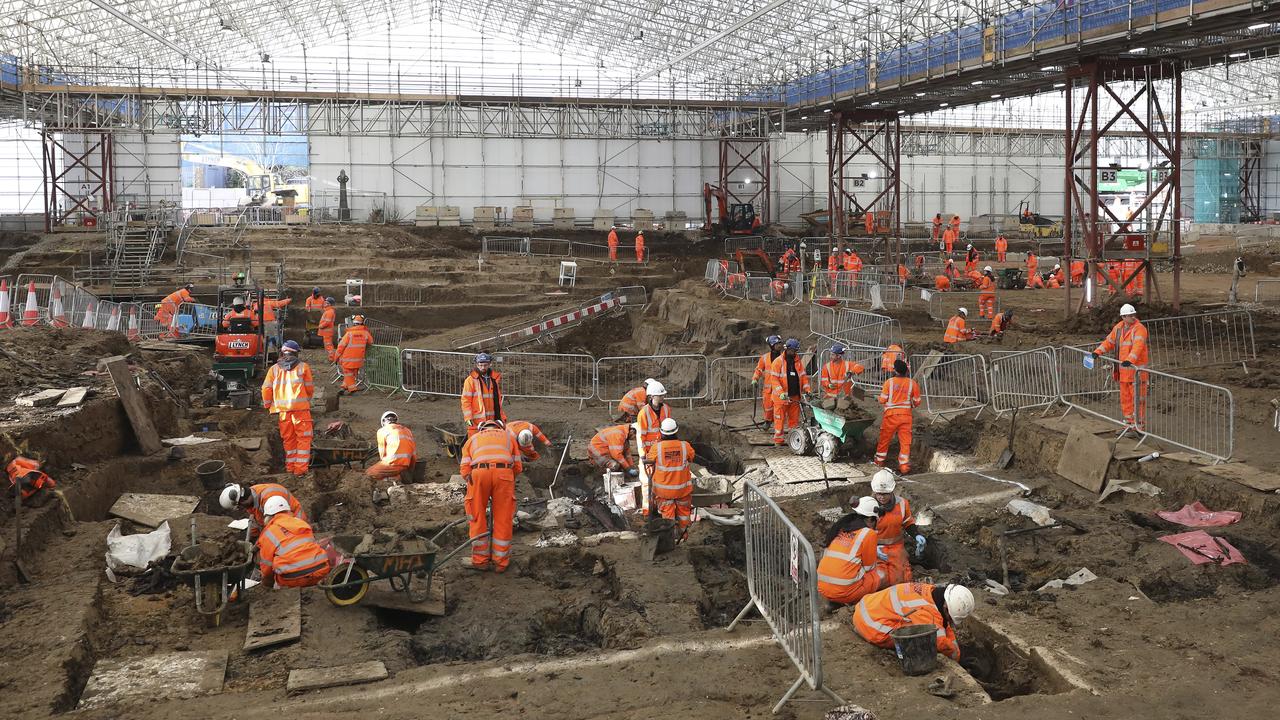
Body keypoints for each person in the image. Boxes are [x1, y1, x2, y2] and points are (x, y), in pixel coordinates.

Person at [852, 583, 974, 661]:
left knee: (912, 620)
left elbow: (944, 625)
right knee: (919, 641)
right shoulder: (929, 616)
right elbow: (941, 643)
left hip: (867, 607)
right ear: (946, 608)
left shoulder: (931, 592)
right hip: (873, 626)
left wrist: (957, 651)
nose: (951, 622)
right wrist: (957, 658)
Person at [460, 420, 522, 572]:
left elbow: (464, 469)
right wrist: (506, 478)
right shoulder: (509, 438)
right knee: (503, 518)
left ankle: (480, 561)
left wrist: (472, 482)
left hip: (479, 474)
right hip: (504, 473)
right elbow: (518, 467)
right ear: (499, 427)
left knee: (477, 516)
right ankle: (500, 562)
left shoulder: (473, 439)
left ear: (482, 429)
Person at [817, 496, 885, 605]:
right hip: (845, 592)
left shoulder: (841, 527)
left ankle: (833, 603)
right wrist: (875, 555)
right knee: (880, 574)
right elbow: (869, 568)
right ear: (870, 519)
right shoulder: (868, 533)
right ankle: (855, 602)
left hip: (823, 588)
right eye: (875, 520)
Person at [261, 340, 313, 476]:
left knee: (289, 440)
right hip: (301, 411)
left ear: (282, 353)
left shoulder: (274, 369)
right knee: (303, 439)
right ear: (296, 353)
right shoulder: (303, 367)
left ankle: (290, 467)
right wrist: (306, 399)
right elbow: (309, 389)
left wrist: (268, 404)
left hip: (283, 412)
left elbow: (266, 389)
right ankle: (300, 469)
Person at [1093, 303, 1149, 430]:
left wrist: (1130, 359)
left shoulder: (1139, 329)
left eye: (1133, 315)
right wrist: (1098, 351)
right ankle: (1129, 424)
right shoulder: (1118, 328)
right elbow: (1109, 342)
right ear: (1123, 317)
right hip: (1123, 373)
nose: (1133, 317)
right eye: (1130, 315)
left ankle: (1138, 426)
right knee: (1126, 400)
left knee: (1138, 400)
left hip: (1137, 373)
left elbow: (1138, 347)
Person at [256, 496, 330, 589]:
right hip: (320, 572)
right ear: (288, 510)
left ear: (268, 515)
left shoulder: (269, 533)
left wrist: (267, 585)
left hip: (294, 579)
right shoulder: (301, 523)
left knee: (276, 581)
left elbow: (267, 569)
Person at [870, 470, 924, 585]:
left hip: (896, 547)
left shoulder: (902, 504)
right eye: (878, 493)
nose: (882, 497)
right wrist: (871, 548)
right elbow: (860, 531)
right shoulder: (867, 506)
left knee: (902, 578)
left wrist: (917, 535)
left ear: (892, 491)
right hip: (875, 548)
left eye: (885, 494)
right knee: (880, 579)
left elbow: (908, 522)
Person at [643, 418, 696, 536]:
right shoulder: (685, 446)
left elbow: (649, 461)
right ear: (676, 431)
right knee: (684, 513)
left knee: (668, 515)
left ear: (662, 433)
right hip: (682, 490)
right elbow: (692, 457)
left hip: (664, 491)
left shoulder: (657, 448)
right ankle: (684, 535)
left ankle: (670, 537)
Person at [875, 359, 920, 474]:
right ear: (906, 371)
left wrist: (878, 398)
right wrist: (911, 405)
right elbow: (917, 401)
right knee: (905, 442)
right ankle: (904, 466)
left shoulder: (889, 382)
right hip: (906, 417)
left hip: (891, 416)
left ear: (895, 370)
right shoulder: (912, 383)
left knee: (885, 439)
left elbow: (883, 400)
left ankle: (879, 462)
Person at [219, 481, 306, 540]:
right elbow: (257, 520)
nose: (241, 508)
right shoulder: (252, 496)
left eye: (239, 506)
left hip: (295, 522)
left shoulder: (271, 499)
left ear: (242, 501)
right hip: (282, 521)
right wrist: (251, 537)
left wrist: (262, 542)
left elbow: (278, 526)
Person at [769, 338, 811, 445]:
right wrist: (781, 393)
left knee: (794, 420)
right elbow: (774, 380)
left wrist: (807, 389)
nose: (794, 353)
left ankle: (793, 439)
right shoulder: (778, 362)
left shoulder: (798, 362)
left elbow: (803, 377)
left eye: (795, 351)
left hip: (795, 397)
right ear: (787, 349)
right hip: (781, 399)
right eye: (793, 351)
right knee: (779, 419)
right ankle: (778, 440)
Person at [461, 352, 506, 435]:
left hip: (492, 421)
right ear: (477, 365)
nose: (482, 367)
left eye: (485, 365)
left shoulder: (494, 380)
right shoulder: (470, 380)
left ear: (489, 365)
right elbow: (466, 401)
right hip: (476, 421)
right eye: (480, 365)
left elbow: (498, 402)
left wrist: (502, 417)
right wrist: (468, 418)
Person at [366, 410, 417, 482]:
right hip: (406, 464)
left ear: (383, 421)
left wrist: (381, 466)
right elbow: (414, 453)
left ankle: (397, 478)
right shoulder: (407, 431)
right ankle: (401, 474)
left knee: (369, 474)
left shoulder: (382, 430)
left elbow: (382, 454)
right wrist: (411, 469)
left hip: (392, 464)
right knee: (387, 471)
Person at [335, 315, 374, 394]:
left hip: (347, 359)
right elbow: (371, 342)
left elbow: (340, 347)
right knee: (351, 374)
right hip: (359, 359)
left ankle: (352, 389)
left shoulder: (349, 334)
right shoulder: (365, 333)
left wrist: (336, 357)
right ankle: (343, 387)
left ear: (354, 323)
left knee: (348, 373)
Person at [751, 336, 784, 427]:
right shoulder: (765, 358)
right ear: (772, 345)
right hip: (768, 388)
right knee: (768, 406)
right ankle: (768, 421)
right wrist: (755, 379)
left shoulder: (783, 357)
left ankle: (778, 423)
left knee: (780, 406)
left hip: (780, 387)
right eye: (777, 344)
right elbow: (759, 370)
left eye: (780, 343)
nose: (779, 346)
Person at [819, 344, 864, 409]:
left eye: (833, 354)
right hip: (830, 398)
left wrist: (852, 371)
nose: (830, 356)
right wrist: (828, 385)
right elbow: (824, 380)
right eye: (830, 354)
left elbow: (860, 367)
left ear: (839, 356)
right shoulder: (826, 366)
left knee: (843, 413)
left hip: (844, 398)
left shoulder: (847, 364)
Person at [636, 380, 672, 450]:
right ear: (652, 396)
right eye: (660, 395)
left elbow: (669, 429)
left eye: (663, 395)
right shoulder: (644, 412)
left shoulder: (666, 408)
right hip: (650, 449)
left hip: (663, 447)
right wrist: (643, 453)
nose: (662, 397)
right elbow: (641, 435)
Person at [318, 297, 338, 361]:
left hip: (327, 332)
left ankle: (332, 358)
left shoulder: (329, 312)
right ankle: (331, 358)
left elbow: (327, 322)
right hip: (326, 332)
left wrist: (321, 326)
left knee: (328, 346)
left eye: (326, 302)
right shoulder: (328, 311)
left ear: (329, 304)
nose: (324, 303)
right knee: (328, 345)